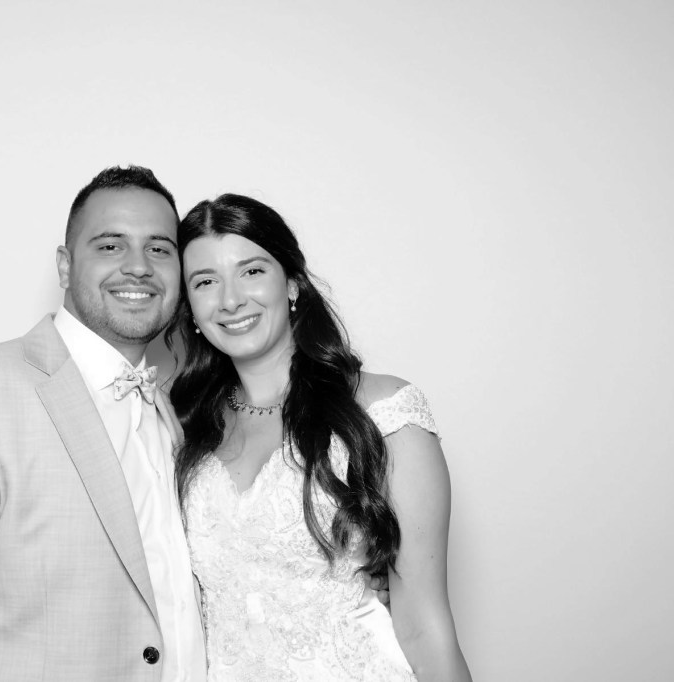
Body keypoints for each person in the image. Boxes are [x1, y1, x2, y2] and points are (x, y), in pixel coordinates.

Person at [0, 166, 207, 681]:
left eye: (159, 249)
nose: (138, 267)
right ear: (65, 267)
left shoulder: (176, 407)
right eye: (110, 245)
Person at [166, 194, 472, 681]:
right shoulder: (183, 427)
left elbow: (424, 626)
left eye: (252, 271)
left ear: (292, 283)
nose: (230, 300)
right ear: (190, 308)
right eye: (205, 281)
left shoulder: (382, 413)